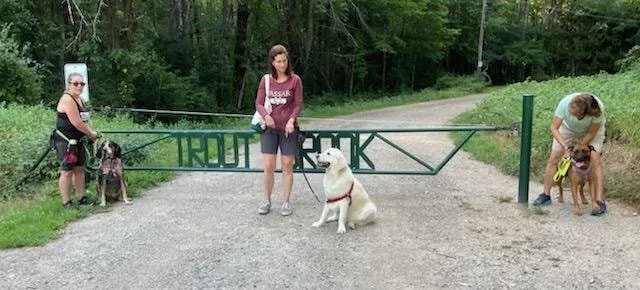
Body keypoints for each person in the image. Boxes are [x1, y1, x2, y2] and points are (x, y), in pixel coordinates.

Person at [533, 92, 606, 215]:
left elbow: (591, 133)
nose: (571, 111)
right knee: (554, 159)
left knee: (595, 159)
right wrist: (566, 147)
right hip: (567, 128)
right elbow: (554, 127)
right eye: (571, 109)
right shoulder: (564, 103)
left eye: (575, 112)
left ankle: (598, 201)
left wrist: (579, 148)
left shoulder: (597, 108)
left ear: (585, 113)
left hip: (591, 131)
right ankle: (545, 194)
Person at [254, 44, 303, 216]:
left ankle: (286, 202)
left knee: (287, 165)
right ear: (273, 63)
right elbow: (258, 103)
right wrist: (266, 115)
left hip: (289, 129)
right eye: (279, 61)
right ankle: (266, 200)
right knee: (268, 166)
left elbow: (298, 104)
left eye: (284, 61)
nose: (282, 64)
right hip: (270, 129)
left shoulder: (295, 80)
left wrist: (291, 120)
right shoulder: (266, 80)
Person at [54, 73, 99, 208]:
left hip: (78, 140)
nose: (79, 86)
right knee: (67, 170)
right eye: (76, 83)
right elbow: (77, 122)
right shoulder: (67, 99)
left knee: (79, 168)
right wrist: (91, 133)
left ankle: (82, 198)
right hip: (66, 141)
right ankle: (66, 202)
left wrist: (92, 132)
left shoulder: (80, 99)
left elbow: (85, 120)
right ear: (69, 85)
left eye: (82, 84)